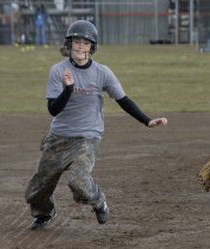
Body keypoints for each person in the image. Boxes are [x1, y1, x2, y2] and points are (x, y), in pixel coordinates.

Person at [24, 20, 168, 230]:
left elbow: (123, 100)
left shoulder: (102, 72)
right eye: (76, 42)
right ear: (69, 44)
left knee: (79, 183)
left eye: (86, 42)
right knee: (35, 192)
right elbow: (53, 110)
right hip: (58, 137)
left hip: (87, 138)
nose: (81, 46)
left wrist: (147, 120)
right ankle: (45, 213)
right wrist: (68, 89)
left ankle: (99, 200)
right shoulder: (58, 71)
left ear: (92, 47)